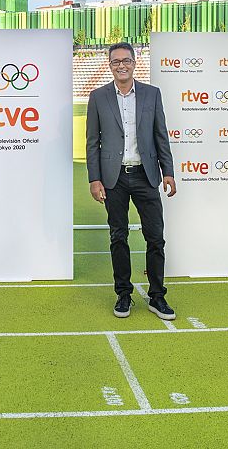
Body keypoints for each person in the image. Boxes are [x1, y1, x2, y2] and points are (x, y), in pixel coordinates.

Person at [86, 42, 177, 320]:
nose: (121, 65)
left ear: (134, 63)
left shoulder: (151, 94)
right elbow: (92, 142)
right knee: (118, 236)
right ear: (110, 65)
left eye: (126, 60)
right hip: (113, 179)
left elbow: (161, 135)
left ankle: (157, 296)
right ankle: (123, 294)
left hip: (146, 175)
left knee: (155, 238)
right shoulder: (98, 97)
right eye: (116, 62)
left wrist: (168, 172)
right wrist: (95, 179)